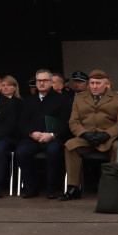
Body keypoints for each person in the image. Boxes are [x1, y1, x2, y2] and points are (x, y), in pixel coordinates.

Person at [61, 69, 118, 201]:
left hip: (107, 138)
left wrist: (107, 134)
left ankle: (115, 187)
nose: (94, 86)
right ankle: (73, 187)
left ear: (106, 84)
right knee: (70, 146)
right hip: (86, 137)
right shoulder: (79, 98)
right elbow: (73, 122)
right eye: (92, 83)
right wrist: (84, 134)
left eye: (98, 83)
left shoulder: (117, 98)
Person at [15, 69, 71, 199]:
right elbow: (22, 122)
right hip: (33, 138)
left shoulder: (62, 100)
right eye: (39, 81)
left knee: (53, 151)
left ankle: (51, 188)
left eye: (45, 80)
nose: (41, 83)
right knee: (21, 152)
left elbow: (66, 122)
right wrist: (31, 133)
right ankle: (31, 187)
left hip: (54, 138)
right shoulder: (28, 101)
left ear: (51, 82)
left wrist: (52, 135)